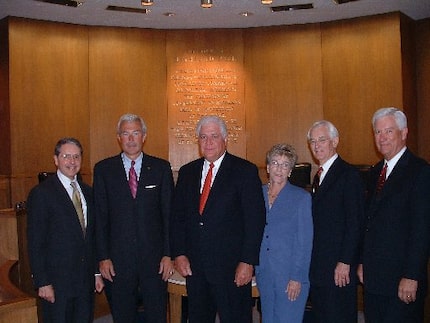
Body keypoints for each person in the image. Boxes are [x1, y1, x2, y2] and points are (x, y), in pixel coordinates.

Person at [170, 115, 266, 323]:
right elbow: (177, 218)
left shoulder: (245, 171)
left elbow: (255, 221)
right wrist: (179, 253)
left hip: (232, 269)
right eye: (203, 137)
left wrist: (247, 261)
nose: (208, 142)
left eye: (214, 136)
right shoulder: (187, 172)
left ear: (225, 139)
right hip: (196, 268)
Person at [93, 113, 174, 323]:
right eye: (125, 134)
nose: (130, 139)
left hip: (155, 261)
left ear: (144, 136)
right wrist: (103, 257)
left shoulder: (161, 168)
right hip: (117, 261)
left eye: (135, 133)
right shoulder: (103, 170)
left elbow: (168, 216)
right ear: (118, 138)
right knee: (123, 316)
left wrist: (168, 254)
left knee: (156, 316)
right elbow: (100, 218)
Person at [358, 107, 430, 323]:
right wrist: (362, 261)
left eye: (389, 131)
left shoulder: (419, 171)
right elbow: (368, 223)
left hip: (402, 280)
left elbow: (422, 229)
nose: (382, 138)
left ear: (404, 132)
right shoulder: (374, 172)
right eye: (378, 132)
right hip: (374, 279)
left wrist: (411, 275)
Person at [27, 137, 104, 323]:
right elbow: (35, 242)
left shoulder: (88, 192)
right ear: (56, 159)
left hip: (84, 282)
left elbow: (91, 237)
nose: (72, 162)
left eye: (76, 157)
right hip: (56, 284)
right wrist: (43, 282)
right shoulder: (42, 194)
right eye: (66, 156)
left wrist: (95, 273)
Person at [307, 120, 364, 322]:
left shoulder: (348, 174)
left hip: (339, 268)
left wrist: (346, 261)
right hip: (319, 268)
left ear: (335, 141)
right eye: (313, 141)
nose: (316, 145)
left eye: (322, 140)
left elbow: (355, 223)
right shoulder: (318, 176)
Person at [255, 143, 313, 323]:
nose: (279, 168)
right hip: (264, 272)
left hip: (289, 275)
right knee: (268, 319)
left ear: (290, 170)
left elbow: (304, 242)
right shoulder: (257, 193)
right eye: (275, 162)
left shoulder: (301, 198)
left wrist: (297, 277)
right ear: (268, 167)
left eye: (285, 164)